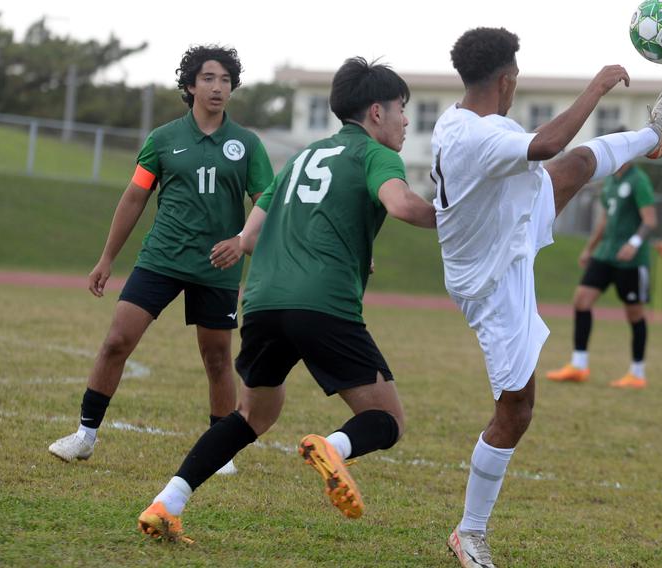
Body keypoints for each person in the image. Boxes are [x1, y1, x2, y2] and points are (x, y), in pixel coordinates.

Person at [136, 56, 437, 542]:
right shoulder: (375, 155)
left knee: (253, 415)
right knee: (387, 421)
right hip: (322, 305)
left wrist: (347, 248)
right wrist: (457, 217)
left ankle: (167, 503)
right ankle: (333, 446)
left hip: (262, 301)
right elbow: (402, 204)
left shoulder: (301, 157)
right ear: (376, 112)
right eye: (402, 109)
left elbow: (250, 235)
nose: (406, 121)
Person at [431, 27, 662, 568]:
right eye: (516, 76)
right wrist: (596, 87)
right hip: (493, 279)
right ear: (506, 79)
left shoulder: (458, 121)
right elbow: (542, 143)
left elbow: (549, 156)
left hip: (508, 227)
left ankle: (647, 135)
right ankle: (469, 532)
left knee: (575, 166)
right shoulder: (479, 135)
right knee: (516, 410)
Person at [48, 45, 274, 477]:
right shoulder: (163, 139)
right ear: (190, 85)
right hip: (161, 258)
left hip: (217, 266)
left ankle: (219, 453)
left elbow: (267, 201)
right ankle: (85, 436)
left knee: (217, 358)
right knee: (117, 340)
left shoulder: (247, 145)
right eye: (208, 78)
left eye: (226, 80)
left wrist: (242, 239)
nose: (218, 87)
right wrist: (106, 258)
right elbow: (134, 197)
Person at [546, 149, 657, 389]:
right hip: (605, 254)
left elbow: (650, 221)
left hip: (631, 260)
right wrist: (590, 248)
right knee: (581, 300)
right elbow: (605, 219)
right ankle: (578, 365)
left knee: (634, 314)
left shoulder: (639, 181)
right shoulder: (610, 182)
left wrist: (633, 244)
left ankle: (637, 373)